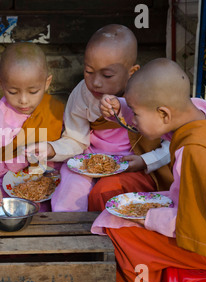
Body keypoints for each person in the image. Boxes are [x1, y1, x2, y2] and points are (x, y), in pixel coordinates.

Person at [91, 58, 206, 282]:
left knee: (119, 232)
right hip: (194, 218)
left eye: (135, 115)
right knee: (113, 211)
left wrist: (146, 217)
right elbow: (153, 110)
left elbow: (199, 223)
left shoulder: (195, 152)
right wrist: (121, 108)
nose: (134, 121)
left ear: (163, 114)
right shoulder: (200, 116)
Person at [26, 24, 173, 212]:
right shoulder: (82, 94)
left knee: (105, 193)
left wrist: (146, 161)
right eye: (88, 71)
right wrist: (52, 148)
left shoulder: (148, 96)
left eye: (107, 75)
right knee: (67, 197)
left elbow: (171, 144)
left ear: (132, 72)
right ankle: (67, 235)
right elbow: (75, 139)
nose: (95, 82)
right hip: (87, 161)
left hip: (132, 164)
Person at [0, 42, 65, 212]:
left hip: (44, 187)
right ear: (0, 83)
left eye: (33, 92)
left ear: (47, 83)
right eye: (13, 91)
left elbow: (68, 146)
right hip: (1, 189)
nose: (24, 100)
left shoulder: (55, 111)